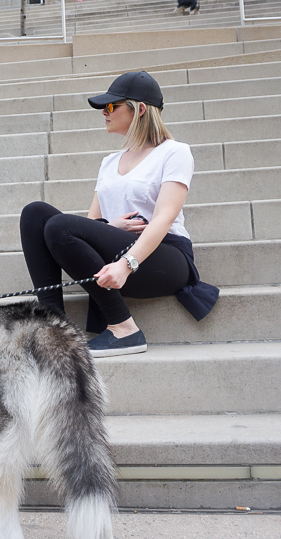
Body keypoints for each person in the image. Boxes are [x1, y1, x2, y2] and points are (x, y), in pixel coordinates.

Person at [19, 71, 219, 358]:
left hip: (162, 258)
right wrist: (110, 227)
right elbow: (91, 223)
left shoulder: (174, 153)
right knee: (35, 214)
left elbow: (164, 217)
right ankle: (53, 329)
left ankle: (124, 329)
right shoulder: (110, 162)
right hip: (115, 254)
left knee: (59, 226)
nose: (104, 112)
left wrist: (125, 265)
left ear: (139, 109)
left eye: (112, 106)